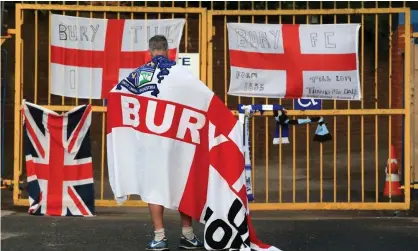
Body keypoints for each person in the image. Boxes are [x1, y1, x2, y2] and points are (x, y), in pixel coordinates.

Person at [144, 35, 204, 251]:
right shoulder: (181, 73)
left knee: (155, 186)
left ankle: (160, 237)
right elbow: (200, 97)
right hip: (179, 137)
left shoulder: (142, 74)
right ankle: (187, 235)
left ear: (150, 52)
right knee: (182, 185)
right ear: (169, 51)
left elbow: (123, 97)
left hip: (153, 138)